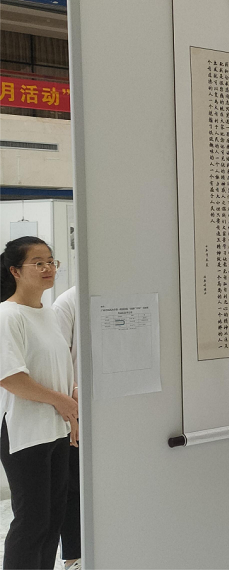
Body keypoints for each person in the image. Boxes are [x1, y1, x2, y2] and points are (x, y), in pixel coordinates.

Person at [0, 236, 78, 569]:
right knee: (30, 522)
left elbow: (58, 369)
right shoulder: (7, 315)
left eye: (51, 262)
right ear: (15, 271)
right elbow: (11, 378)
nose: (48, 268)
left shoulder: (47, 313)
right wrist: (61, 401)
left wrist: (71, 407)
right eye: (38, 263)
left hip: (56, 429)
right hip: (25, 432)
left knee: (52, 519)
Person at [53, 285, 81, 570]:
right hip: (78, 408)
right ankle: (74, 558)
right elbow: (59, 360)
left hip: (116, 410)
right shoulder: (67, 303)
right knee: (74, 485)